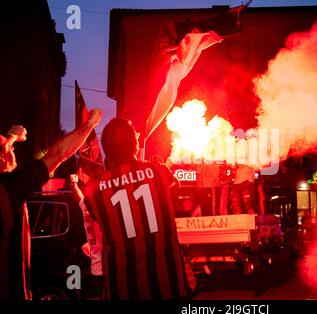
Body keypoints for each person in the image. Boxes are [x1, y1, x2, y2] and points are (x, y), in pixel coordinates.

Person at [83, 117, 195, 300]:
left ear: (106, 150)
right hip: (169, 289)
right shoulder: (161, 173)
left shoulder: (93, 189)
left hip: (122, 292)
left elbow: (98, 216)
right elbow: (174, 195)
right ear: (135, 145)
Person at [0, 109, 102, 300]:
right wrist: (91, 123)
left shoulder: (8, 187)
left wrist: (10, 138)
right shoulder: (8, 189)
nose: (13, 151)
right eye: (10, 149)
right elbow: (58, 153)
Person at [69, 174, 104, 298]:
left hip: (95, 268)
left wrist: (74, 184)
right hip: (106, 267)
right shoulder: (102, 212)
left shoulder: (85, 207)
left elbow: (79, 197)